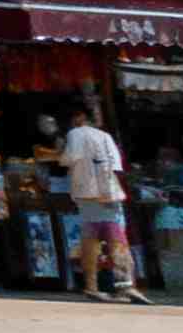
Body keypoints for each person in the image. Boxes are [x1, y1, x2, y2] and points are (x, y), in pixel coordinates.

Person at [59, 107, 144, 303]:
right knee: (115, 239)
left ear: (78, 118)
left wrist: (59, 155)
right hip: (109, 194)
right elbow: (117, 167)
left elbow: (69, 158)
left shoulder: (75, 134)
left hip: (87, 194)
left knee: (92, 240)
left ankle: (93, 286)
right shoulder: (106, 136)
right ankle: (125, 286)